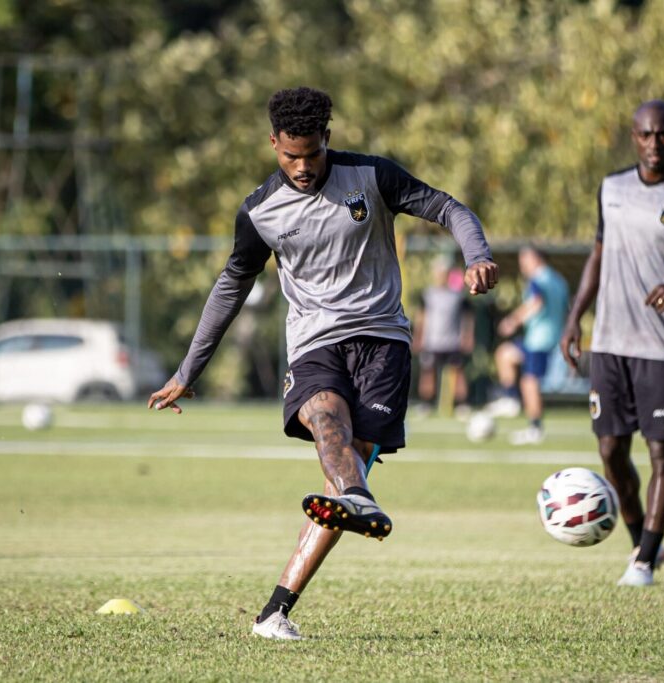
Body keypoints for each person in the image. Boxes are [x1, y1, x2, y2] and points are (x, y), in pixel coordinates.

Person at [148, 87, 499, 639]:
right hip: (315, 342)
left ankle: (273, 612)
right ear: (273, 143)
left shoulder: (371, 176)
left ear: (327, 139)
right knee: (326, 421)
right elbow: (231, 286)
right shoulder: (260, 211)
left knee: (342, 484)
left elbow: (449, 208)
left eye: (312, 153)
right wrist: (188, 370)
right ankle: (358, 498)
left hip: (383, 343)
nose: (303, 166)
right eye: (291, 156)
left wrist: (476, 255)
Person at [561, 100, 664, 587]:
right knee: (611, 449)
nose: (655, 143)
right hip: (609, 342)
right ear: (634, 136)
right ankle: (642, 542)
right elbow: (598, 254)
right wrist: (575, 318)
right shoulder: (611, 188)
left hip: (661, 347)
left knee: (661, 454)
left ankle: (644, 561)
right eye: (646, 134)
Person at [486, 246, 570, 445]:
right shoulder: (559, 280)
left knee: (530, 381)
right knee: (506, 355)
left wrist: (513, 321)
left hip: (539, 340)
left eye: (525, 259)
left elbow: (537, 302)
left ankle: (533, 427)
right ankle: (511, 398)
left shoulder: (537, 280)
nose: (522, 264)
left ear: (537, 259)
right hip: (553, 338)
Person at [411, 256, 473, 416]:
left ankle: (462, 404)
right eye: (438, 272)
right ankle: (426, 404)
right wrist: (418, 338)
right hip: (431, 342)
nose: (441, 275)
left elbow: (467, 318)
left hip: (453, 341)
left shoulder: (458, 296)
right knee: (428, 373)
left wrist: (467, 337)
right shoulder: (427, 294)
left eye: (444, 272)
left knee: (458, 373)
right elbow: (421, 318)